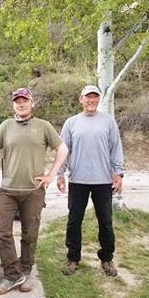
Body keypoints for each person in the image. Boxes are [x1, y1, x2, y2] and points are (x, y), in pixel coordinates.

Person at [0, 88, 68, 295]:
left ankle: (25, 270)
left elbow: (63, 149)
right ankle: (13, 275)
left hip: (34, 191)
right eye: (17, 101)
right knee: (0, 231)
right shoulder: (6, 126)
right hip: (8, 190)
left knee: (30, 234)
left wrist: (52, 174)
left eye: (25, 101)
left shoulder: (43, 126)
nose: (21, 104)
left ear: (32, 103)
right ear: (13, 105)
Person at [57, 85, 124, 277]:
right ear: (81, 99)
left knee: (105, 221)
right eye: (88, 97)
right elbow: (63, 150)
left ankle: (106, 258)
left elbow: (115, 148)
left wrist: (118, 173)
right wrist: (60, 174)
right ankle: (73, 258)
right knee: (74, 221)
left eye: (95, 97)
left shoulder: (108, 122)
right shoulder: (71, 123)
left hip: (103, 180)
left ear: (98, 100)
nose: (91, 100)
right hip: (78, 179)